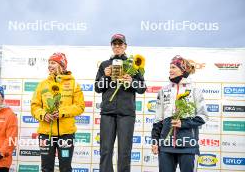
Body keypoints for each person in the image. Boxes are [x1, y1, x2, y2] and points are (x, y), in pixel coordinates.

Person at [95, 34, 147, 172]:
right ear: (111, 46)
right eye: (114, 44)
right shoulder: (104, 65)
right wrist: (105, 76)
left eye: (120, 44)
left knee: (124, 152)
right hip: (107, 113)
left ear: (125, 46)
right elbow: (98, 88)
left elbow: (142, 88)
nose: (117, 46)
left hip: (126, 114)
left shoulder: (133, 65)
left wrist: (131, 81)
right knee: (105, 150)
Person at [151, 55, 208, 172]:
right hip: (166, 146)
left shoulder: (194, 89)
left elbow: (203, 116)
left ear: (182, 70)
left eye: (173, 67)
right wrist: (155, 141)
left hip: (188, 146)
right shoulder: (164, 90)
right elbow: (158, 119)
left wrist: (183, 123)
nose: (170, 70)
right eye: (170, 67)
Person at [31, 52, 85, 172]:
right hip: (46, 134)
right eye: (49, 63)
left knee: (65, 167)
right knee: (46, 168)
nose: (50, 66)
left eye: (53, 63)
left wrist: (62, 112)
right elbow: (34, 106)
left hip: (66, 134)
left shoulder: (74, 84)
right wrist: (43, 114)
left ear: (62, 65)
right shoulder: (42, 84)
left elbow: (80, 106)